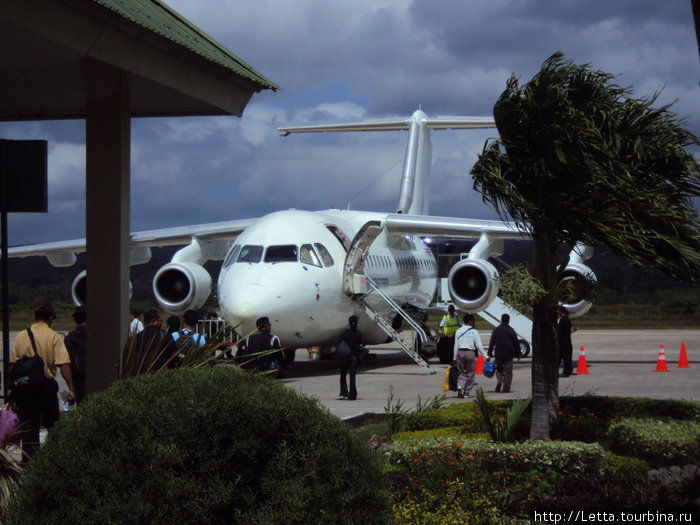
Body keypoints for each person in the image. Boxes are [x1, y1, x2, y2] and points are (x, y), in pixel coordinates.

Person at [9, 302, 76, 461]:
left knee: (29, 430)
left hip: (26, 388)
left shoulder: (21, 335)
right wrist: (71, 388)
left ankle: (29, 465)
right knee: (53, 427)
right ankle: (52, 462)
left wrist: (10, 388)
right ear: (51, 318)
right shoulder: (54, 336)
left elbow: (12, 365)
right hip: (46, 386)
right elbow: (63, 364)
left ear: (34, 316)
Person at [452, 313, 489, 399]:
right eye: (473, 320)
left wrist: (454, 358)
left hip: (460, 352)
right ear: (470, 321)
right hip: (470, 353)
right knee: (470, 373)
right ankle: (466, 393)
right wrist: (485, 355)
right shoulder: (474, 331)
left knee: (461, 372)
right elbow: (478, 345)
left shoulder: (458, 331)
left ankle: (460, 386)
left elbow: (455, 345)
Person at [487, 313, 520, 393]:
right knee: (508, 372)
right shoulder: (511, 330)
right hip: (509, 354)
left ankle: (499, 381)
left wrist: (489, 353)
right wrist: (518, 353)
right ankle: (506, 389)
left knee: (499, 370)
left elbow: (492, 342)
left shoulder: (496, 330)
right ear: (508, 320)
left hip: (498, 354)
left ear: (501, 320)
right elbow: (516, 342)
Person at [64, 305, 87, 404]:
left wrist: (71, 389)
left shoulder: (70, 338)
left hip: (77, 381)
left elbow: (65, 364)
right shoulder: (94, 336)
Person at [337, 315, 363, 401]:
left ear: (349, 322)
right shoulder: (359, 333)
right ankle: (352, 395)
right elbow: (358, 344)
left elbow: (339, 342)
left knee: (343, 375)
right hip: (353, 357)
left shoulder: (344, 332)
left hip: (345, 356)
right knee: (352, 377)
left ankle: (343, 393)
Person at [557, 306, 577, 377]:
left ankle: (565, 372)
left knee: (559, 358)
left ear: (561, 312)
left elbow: (559, 331)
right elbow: (567, 331)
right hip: (568, 341)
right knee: (568, 357)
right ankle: (569, 370)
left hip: (562, 342)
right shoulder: (567, 320)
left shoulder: (562, 320)